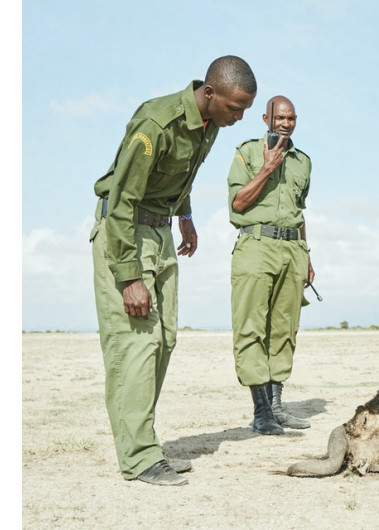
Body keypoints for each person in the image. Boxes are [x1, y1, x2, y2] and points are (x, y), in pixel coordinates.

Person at [90, 56, 257, 486]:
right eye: (234, 108)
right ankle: (140, 457)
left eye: (243, 111)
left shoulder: (211, 124)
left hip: (161, 232)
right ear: (210, 93)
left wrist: (184, 216)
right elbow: (123, 199)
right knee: (136, 346)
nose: (238, 118)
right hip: (126, 233)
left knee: (163, 341)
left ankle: (144, 444)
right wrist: (129, 276)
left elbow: (180, 175)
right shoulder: (157, 123)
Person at [227, 95, 314, 435]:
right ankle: (261, 411)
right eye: (279, 117)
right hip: (256, 245)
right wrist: (267, 169)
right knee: (250, 329)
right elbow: (237, 204)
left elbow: (300, 210)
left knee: (284, 329)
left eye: (291, 118)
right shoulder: (247, 152)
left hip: (292, 248)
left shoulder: (303, 161)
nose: (285, 123)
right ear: (266, 118)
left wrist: (307, 254)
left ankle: (278, 406)